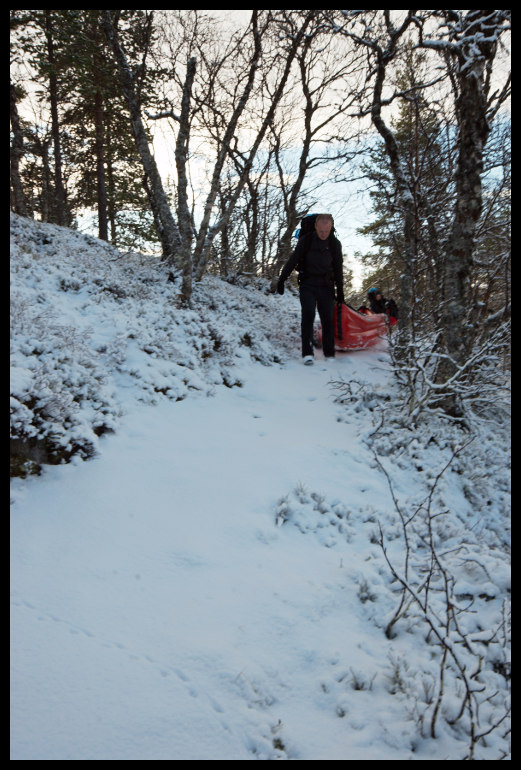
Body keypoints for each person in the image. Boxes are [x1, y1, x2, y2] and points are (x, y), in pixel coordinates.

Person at [276, 214, 344, 365]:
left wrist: (340, 290)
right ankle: (307, 353)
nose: (323, 234)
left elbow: (338, 268)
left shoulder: (334, 244)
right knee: (308, 315)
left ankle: (329, 353)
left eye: (327, 231)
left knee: (327, 319)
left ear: (331, 228)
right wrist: (282, 279)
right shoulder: (306, 241)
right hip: (308, 284)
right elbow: (293, 260)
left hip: (326, 285)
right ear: (315, 227)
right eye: (321, 231)